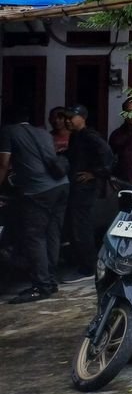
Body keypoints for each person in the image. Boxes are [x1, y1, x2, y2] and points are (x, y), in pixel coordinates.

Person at [0, 105, 69, 303]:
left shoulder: (8, 131)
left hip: (38, 190)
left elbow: (4, 163)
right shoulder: (42, 132)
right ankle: (51, 280)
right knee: (52, 233)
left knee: (35, 236)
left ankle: (41, 285)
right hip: (61, 186)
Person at [63, 105, 114, 283]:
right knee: (75, 227)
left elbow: (109, 157)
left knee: (81, 228)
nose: (67, 121)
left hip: (85, 189)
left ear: (82, 117)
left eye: (71, 117)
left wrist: (95, 173)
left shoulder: (90, 136)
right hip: (75, 187)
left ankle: (88, 267)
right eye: (66, 118)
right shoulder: (76, 136)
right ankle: (82, 263)